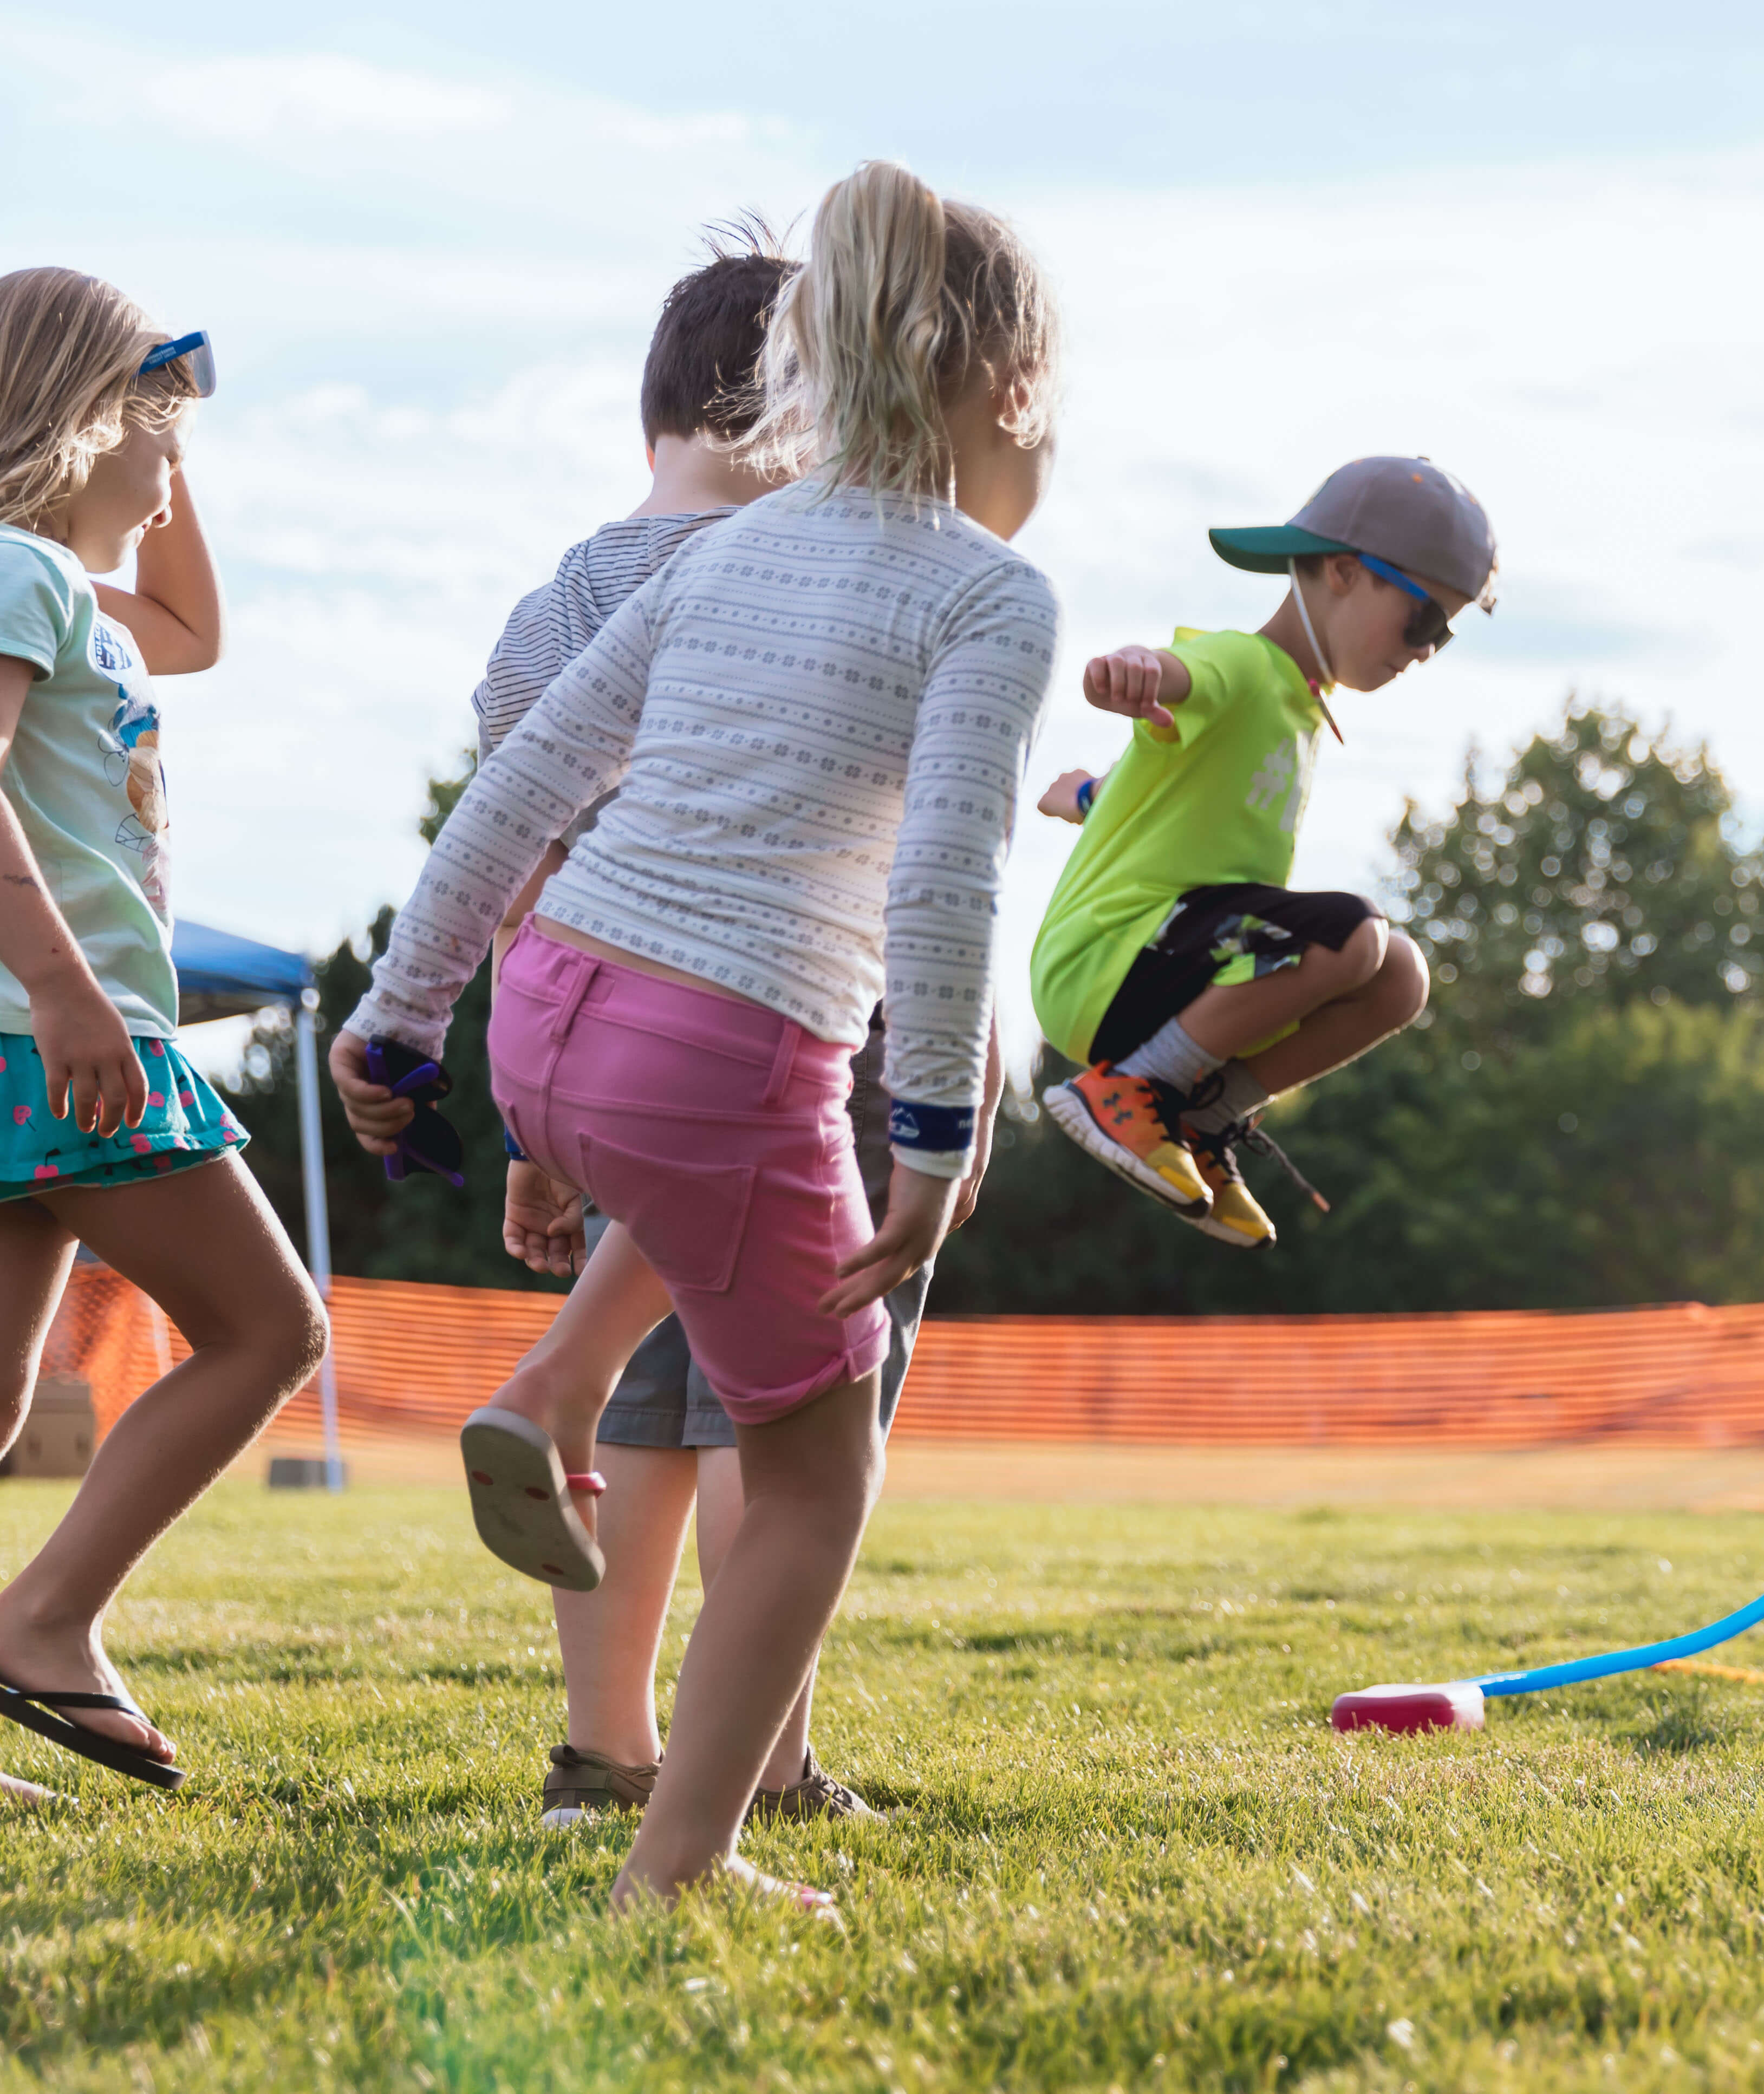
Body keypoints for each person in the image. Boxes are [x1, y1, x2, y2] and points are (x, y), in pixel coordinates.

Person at [333, 159, 1057, 1909]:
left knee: (733, 1330)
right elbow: (949, 881)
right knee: (818, 1464)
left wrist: (402, 1016)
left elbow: (527, 781)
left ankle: (561, 1385)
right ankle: (684, 1861)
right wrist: (939, 1139)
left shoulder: (729, 552)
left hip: (551, 1016)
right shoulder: (986, 593)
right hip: (717, 1053)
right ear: (1004, 390)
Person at [464, 225, 942, 1831]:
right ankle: (770, 1761)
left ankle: (601, 1757)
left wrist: (531, 1130)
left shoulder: (561, 597)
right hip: (795, 1040)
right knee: (788, 1420)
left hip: (595, 1045)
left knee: (641, 1419)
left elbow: (519, 853)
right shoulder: (833, 583)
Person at [0, 270, 329, 1801]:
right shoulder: (18, 570)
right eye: (158, 437)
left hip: (30, 1044)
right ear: (78, 423)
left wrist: (168, 421)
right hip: (59, 1035)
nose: (176, 470)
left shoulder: (72, 589)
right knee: (274, 1328)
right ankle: (47, 1620)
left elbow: (193, 626)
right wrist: (69, 991)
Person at [1027, 458, 1493, 1248]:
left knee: (1401, 975)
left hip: (1168, 962)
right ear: (1345, 572)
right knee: (1353, 934)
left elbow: (1169, 806)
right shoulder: (1246, 667)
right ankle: (1134, 1086)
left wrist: (1088, 799)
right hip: (1105, 964)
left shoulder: (1303, 709)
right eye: (1423, 622)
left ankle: (1199, 1110)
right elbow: (1186, 676)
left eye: (1444, 635)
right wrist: (1141, 671)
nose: (1425, 651)